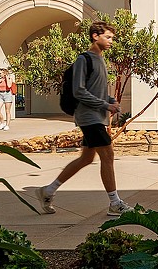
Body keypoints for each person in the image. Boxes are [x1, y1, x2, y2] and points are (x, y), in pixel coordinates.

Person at [35, 21, 133, 216]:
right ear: (95, 36)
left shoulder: (101, 60)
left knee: (86, 158)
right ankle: (115, 203)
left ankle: (48, 191)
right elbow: (79, 91)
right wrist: (105, 105)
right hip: (88, 117)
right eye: (108, 37)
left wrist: (110, 101)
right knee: (108, 155)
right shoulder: (84, 59)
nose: (111, 41)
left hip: (97, 117)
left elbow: (96, 90)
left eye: (112, 38)